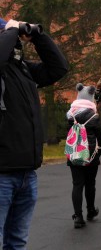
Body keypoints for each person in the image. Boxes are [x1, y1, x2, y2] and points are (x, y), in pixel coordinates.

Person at [0, 18, 68, 248]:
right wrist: (10, 30)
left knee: (17, 241)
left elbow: (58, 68)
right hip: (1, 175)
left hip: (27, 173)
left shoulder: (22, 69)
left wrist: (38, 37)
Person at [66, 83, 101, 228]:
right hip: (90, 155)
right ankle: (90, 211)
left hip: (74, 153)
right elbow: (100, 138)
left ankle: (78, 216)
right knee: (90, 184)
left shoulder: (70, 115)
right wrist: (98, 154)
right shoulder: (94, 116)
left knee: (77, 184)